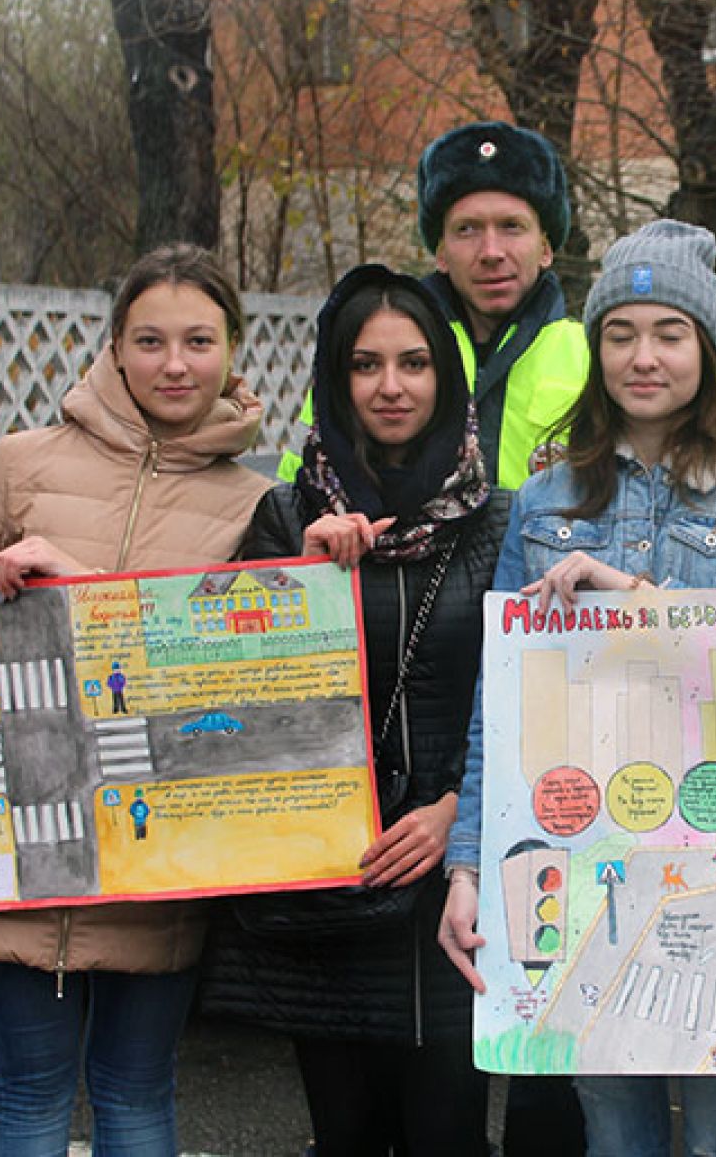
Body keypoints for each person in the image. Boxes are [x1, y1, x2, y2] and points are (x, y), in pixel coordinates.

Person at [0, 244, 272, 1155]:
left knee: (135, 1098)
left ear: (232, 349)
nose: (176, 363)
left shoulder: (259, 503)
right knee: (24, 1099)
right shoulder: (19, 464)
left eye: (200, 340)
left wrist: (83, 582)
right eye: (152, 339)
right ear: (116, 348)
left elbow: (228, 693)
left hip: (155, 856)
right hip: (6, 848)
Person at [439, 220, 716, 1157]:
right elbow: (505, 702)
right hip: (580, 858)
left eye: (669, 333)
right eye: (620, 333)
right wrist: (468, 865)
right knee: (612, 1127)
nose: (643, 357)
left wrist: (634, 599)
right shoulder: (542, 504)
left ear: (706, 345)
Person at [200, 265, 541, 1154]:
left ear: (449, 379)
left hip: (449, 885)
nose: (392, 386)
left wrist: (457, 816)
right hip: (329, 884)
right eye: (366, 364)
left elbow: (532, 700)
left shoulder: (500, 522)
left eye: (416, 363)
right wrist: (301, 585)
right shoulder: (282, 520)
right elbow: (233, 715)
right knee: (343, 1137)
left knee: (449, 1134)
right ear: (334, 380)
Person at [280, 121, 590, 490]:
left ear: (545, 247)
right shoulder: (375, 349)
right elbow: (298, 495)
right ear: (440, 251)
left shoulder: (592, 358)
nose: (491, 252)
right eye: (467, 229)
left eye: (511, 227)